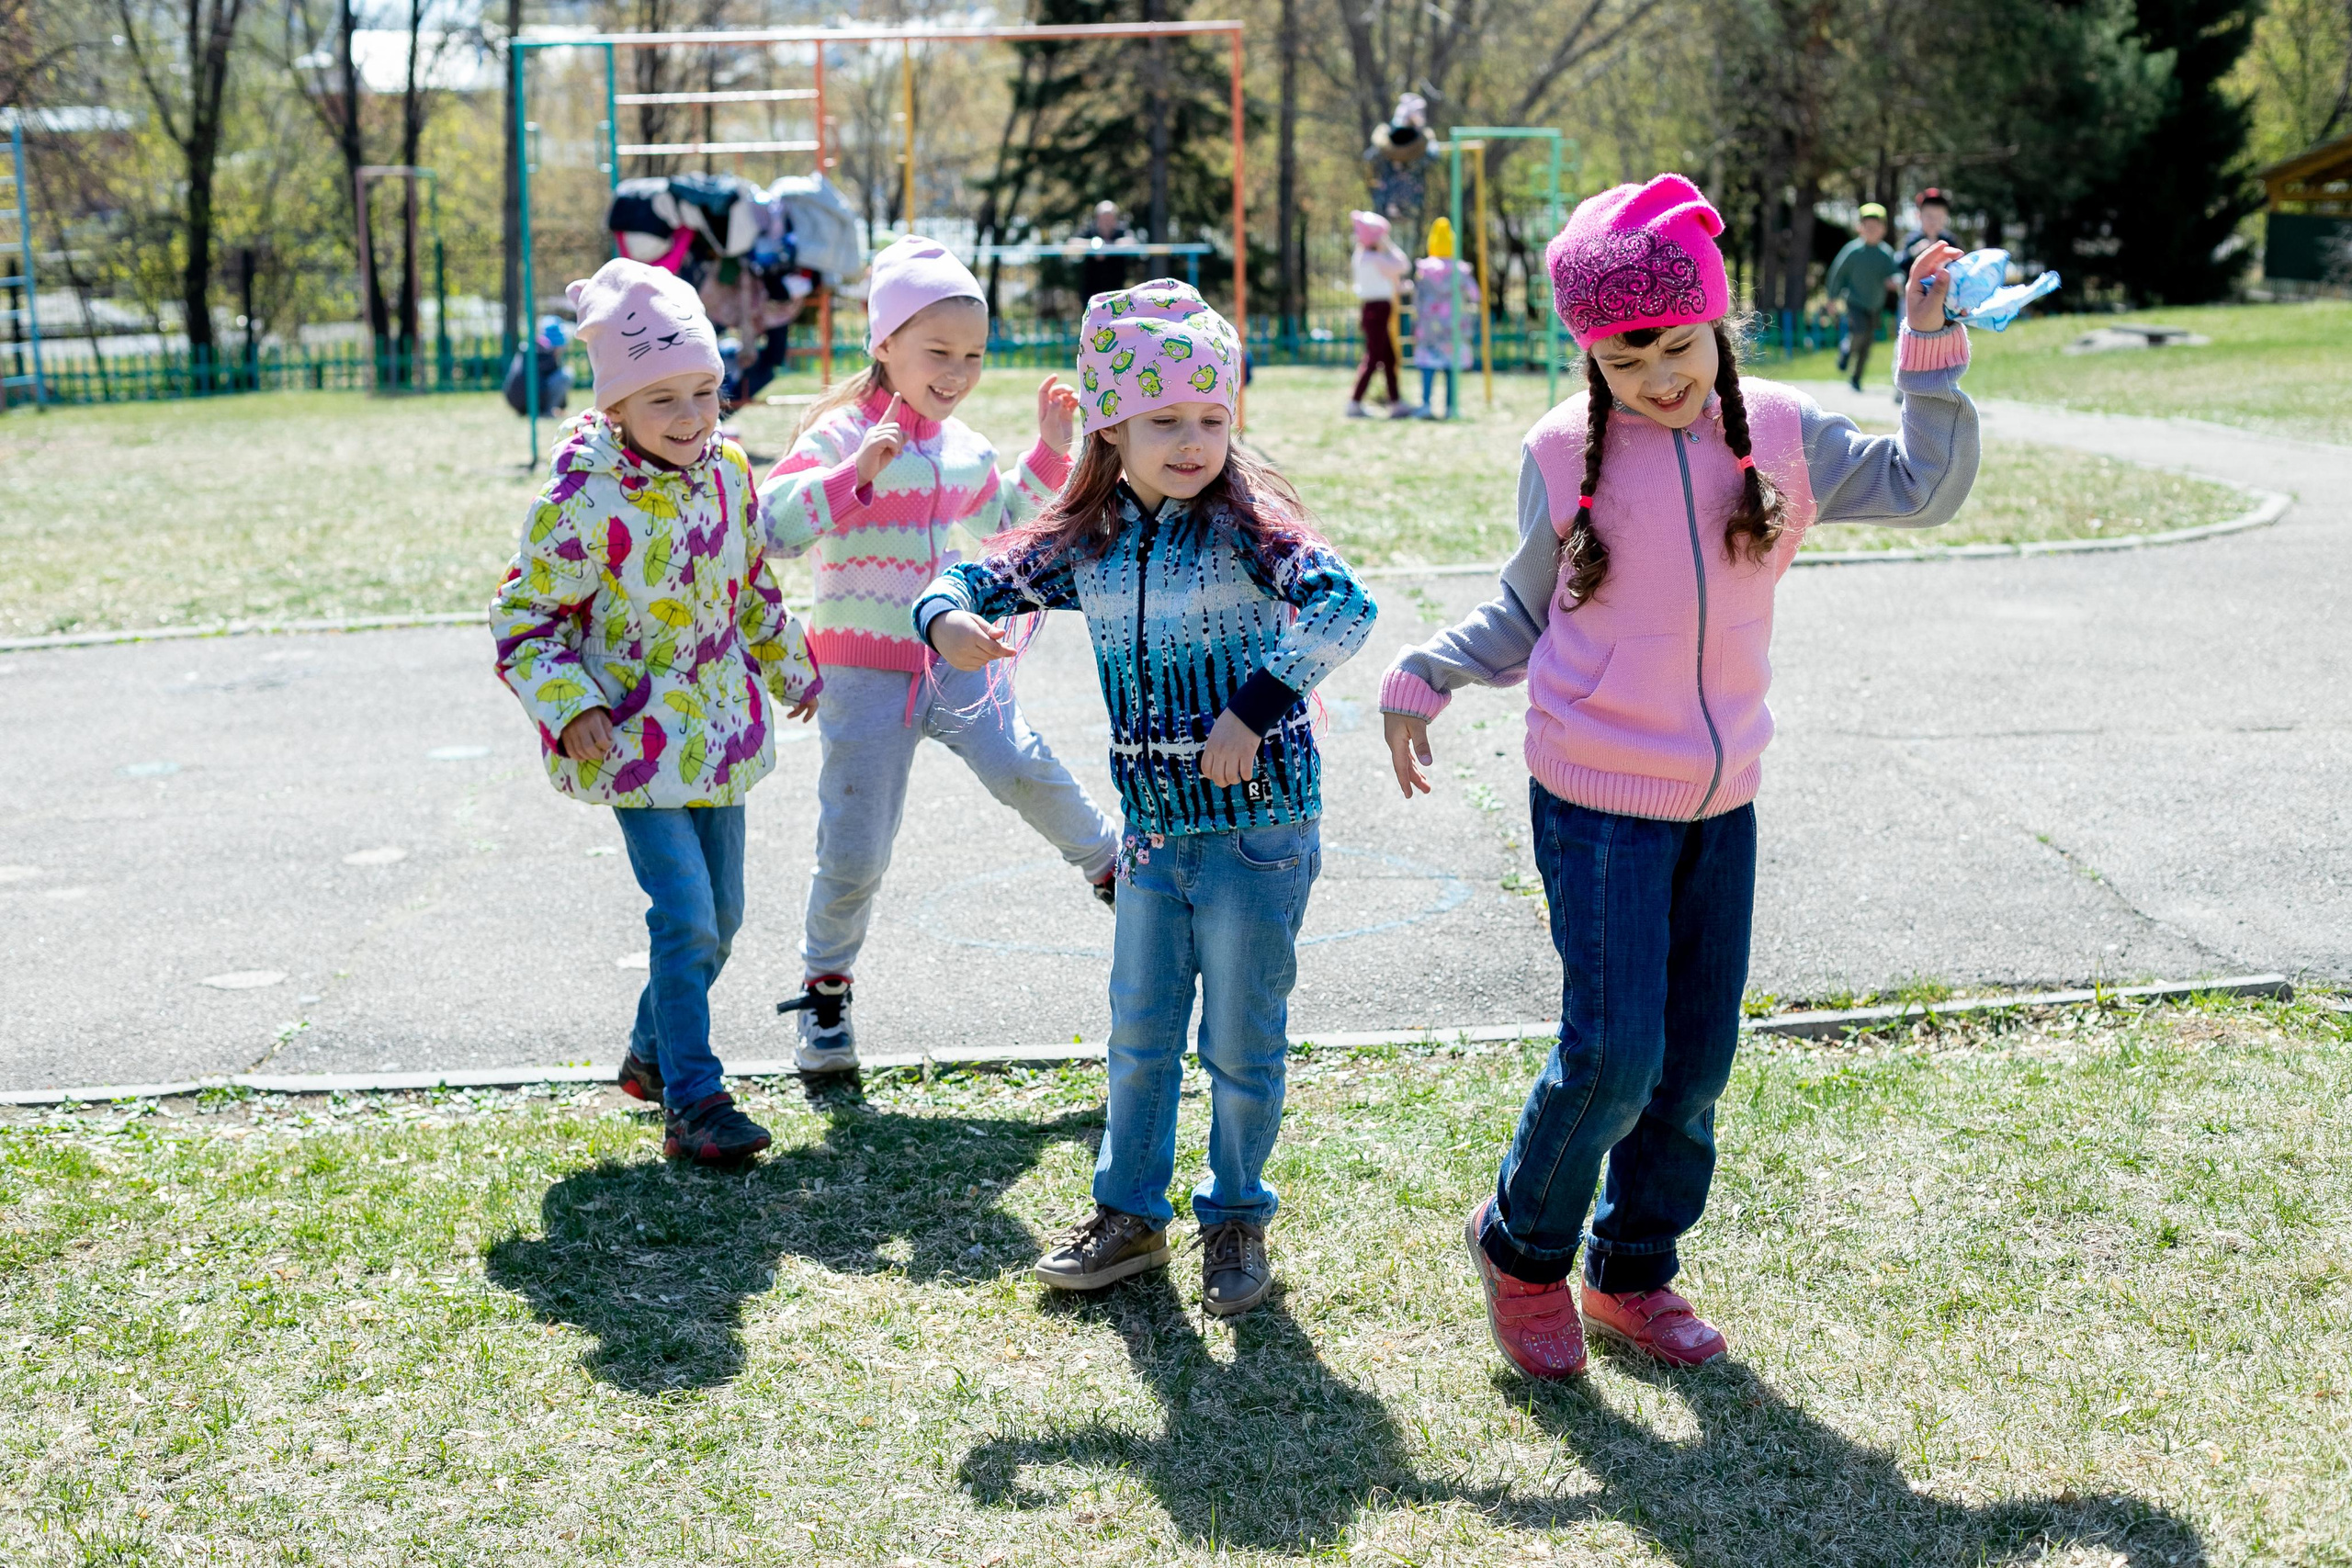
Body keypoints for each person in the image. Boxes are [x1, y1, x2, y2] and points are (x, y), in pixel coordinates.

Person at [1377, 175, 1974, 1379]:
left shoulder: (1789, 436)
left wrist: (1928, 349)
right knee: (1613, 1053)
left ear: (1718, 327)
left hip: (1722, 798)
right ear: (1592, 350)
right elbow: (1521, 607)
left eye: (1680, 343)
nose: (1660, 372)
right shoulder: (1560, 451)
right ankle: (1524, 1244)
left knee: (1695, 1059)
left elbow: (1927, 483)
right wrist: (1429, 669)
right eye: (1627, 350)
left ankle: (1633, 1269)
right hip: (1595, 797)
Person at [914, 281, 1377, 1317]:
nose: (1192, 439)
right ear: (1110, 426)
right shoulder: (1094, 538)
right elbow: (973, 577)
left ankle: (1235, 1220)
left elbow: (1346, 606)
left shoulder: (1250, 528)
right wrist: (944, 617)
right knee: (1139, 1033)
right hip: (1156, 839)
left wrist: (1253, 710)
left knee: (1242, 1042)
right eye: (1165, 419)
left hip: (1262, 833)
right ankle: (1129, 1216)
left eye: (1211, 418)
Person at [756, 238, 1120, 1074]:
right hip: (862, 671)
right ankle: (824, 989)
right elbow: (772, 527)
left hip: (955, 654)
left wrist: (1049, 451)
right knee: (855, 845)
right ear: (883, 343)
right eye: (937, 352)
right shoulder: (837, 431)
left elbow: (1006, 528)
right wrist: (857, 472)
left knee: (1024, 766)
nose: (956, 373)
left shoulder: (963, 447)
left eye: (973, 356)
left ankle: (1118, 876)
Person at [491, 258, 822, 1165]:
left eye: (706, 394)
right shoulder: (579, 499)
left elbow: (753, 587)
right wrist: (571, 706)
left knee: (723, 915)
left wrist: (793, 667)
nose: (690, 419)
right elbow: (525, 621)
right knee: (685, 914)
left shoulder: (727, 478)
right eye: (663, 400)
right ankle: (695, 1099)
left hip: (716, 728)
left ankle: (650, 1052)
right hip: (635, 740)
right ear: (614, 409)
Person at [1824, 202, 1903, 390]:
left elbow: (1896, 273)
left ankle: (1856, 378)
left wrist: (1895, 281)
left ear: (1883, 229)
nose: (1871, 230)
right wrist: (1831, 298)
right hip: (1855, 302)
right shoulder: (1853, 251)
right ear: (1860, 228)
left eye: (1876, 227)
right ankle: (1846, 351)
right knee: (1858, 333)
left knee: (1867, 343)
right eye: (1867, 227)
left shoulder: (1885, 254)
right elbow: (1837, 273)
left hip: (1875, 305)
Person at [1410, 217, 1480, 419]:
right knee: (1451, 367)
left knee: (1428, 365)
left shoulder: (1424, 270)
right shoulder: (1460, 270)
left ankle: (1425, 404)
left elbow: (1417, 297)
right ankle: (1451, 407)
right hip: (1454, 327)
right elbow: (1474, 295)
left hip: (1429, 327)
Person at [1347, 211, 1411, 418]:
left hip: (1375, 309)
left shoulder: (1364, 256)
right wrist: (1388, 246)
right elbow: (1403, 265)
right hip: (1377, 310)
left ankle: (1395, 401)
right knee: (1374, 357)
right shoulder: (1373, 258)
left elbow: (1388, 278)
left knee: (1388, 357)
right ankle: (1354, 403)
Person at [1077, 200, 1134, 301]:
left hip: (1117, 290)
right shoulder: (1089, 230)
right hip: (1091, 290)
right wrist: (1094, 245)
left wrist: (1108, 247)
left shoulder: (1121, 231)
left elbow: (1131, 242)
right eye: (1104, 218)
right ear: (1097, 218)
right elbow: (1072, 242)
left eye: (1110, 218)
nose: (1107, 221)